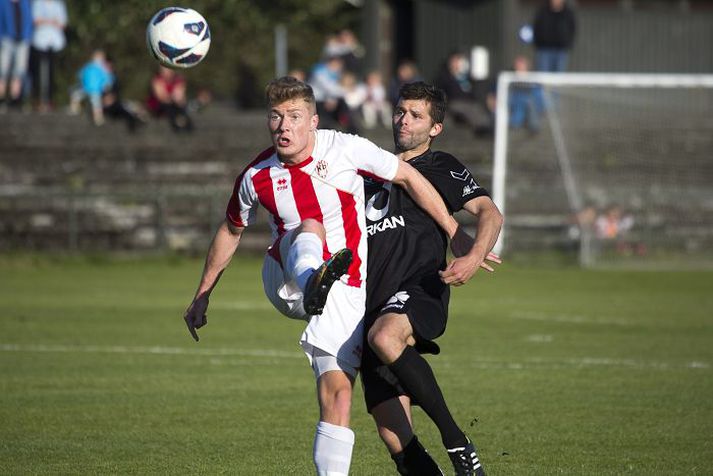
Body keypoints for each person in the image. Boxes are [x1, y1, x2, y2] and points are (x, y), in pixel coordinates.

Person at [182, 76, 461, 476]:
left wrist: (454, 231)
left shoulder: (346, 148)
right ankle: (313, 277)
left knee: (338, 395)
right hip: (285, 277)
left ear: (313, 121)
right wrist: (202, 294)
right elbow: (231, 229)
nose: (284, 127)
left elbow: (408, 176)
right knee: (309, 225)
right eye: (275, 117)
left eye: (294, 116)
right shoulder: (256, 175)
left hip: (343, 290)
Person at [361, 81, 503, 475]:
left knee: (385, 336)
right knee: (395, 436)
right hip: (367, 300)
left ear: (434, 128)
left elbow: (490, 213)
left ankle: (457, 441)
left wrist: (473, 256)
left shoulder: (441, 166)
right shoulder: (369, 170)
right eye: (400, 111)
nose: (404, 120)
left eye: (416, 115)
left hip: (420, 285)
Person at [434, 52, 493, 136]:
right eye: (455, 61)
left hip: (470, 102)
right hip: (455, 102)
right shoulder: (445, 77)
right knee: (468, 110)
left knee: (477, 109)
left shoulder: (467, 78)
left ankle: (485, 128)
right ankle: (480, 128)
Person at [30, 0, 66, 112]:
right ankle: (38, 99)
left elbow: (62, 23)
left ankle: (49, 100)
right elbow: (36, 21)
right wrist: (52, 21)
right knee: (38, 72)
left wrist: (46, 21)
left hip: (55, 43)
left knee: (51, 72)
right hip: (40, 42)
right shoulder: (37, 4)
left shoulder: (59, 4)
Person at [0, 0, 32, 110]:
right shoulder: (3, 2)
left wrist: (28, 36)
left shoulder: (25, 2)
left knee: (19, 71)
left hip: (22, 39)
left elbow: (28, 20)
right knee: (3, 71)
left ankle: (15, 99)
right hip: (7, 39)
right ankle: (2, 98)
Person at [68, 49, 112, 126]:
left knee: (96, 104)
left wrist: (107, 85)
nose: (98, 59)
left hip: (96, 89)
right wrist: (81, 82)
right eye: (97, 57)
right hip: (86, 88)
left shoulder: (103, 68)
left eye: (100, 57)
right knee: (76, 95)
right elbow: (81, 74)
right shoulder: (88, 66)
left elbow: (107, 78)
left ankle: (98, 118)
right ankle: (75, 109)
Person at [532, 0, 576, 73]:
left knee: (558, 78)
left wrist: (568, 43)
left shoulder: (568, 13)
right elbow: (536, 28)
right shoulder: (542, 11)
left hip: (561, 50)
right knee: (543, 76)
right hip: (544, 49)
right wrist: (538, 43)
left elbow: (572, 29)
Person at [146, 65, 193, 132]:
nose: (165, 72)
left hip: (173, 104)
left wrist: (178, 101)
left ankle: (187, 126)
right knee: (169, 107)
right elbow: (161, 97)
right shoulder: (157, 79)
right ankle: (177, 127)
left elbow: (180, 96)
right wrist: (173, 98)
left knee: (181, 108)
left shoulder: (178, 79)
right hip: (158, 105)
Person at [509, 55, 544, 133]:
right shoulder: (508, 78)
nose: (520, 67)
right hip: (515, 102)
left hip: (530, 102)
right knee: (521, 99)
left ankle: (528, 124)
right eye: (518, 65)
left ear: (526, 66)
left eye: (521, 65)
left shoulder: (533, 78)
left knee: (531, 99)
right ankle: (518, 122)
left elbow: (538, 92)